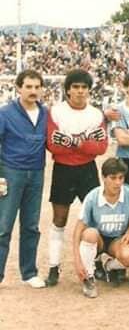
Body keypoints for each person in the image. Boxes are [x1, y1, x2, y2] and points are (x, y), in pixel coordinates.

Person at [45, 69, 109, 287]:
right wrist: (84, 142)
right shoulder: (56, 112)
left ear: (89, 90)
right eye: (76, 87)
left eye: (84, 87)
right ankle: (54, 266)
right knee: (59, 219)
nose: (80, 91)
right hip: (62, 169)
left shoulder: (96, 115)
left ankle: (97, 262)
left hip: (87, 169)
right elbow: (53, 145)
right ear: (68, 90)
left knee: (94, 219)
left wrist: (73, 142)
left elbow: (100, 148)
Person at [0, 70, 47, 288]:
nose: (33, 91)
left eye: (37, 87)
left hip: (36, 173)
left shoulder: (46, 113)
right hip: (11, 173)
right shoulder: (5, 113)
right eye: (28, 86)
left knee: (31, 225)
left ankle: (29, 273)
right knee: (3, 227)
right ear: (18, 88)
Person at [72, 158, 129, 298]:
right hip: (98, 239)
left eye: (121, 178)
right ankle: (89, 278)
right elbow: (78, 230)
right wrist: (77, 260)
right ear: (103, 178)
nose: (118, 182)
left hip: (117, 239)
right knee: (90, 233)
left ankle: (109, 266)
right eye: (113, 178)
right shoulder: (92, 197)